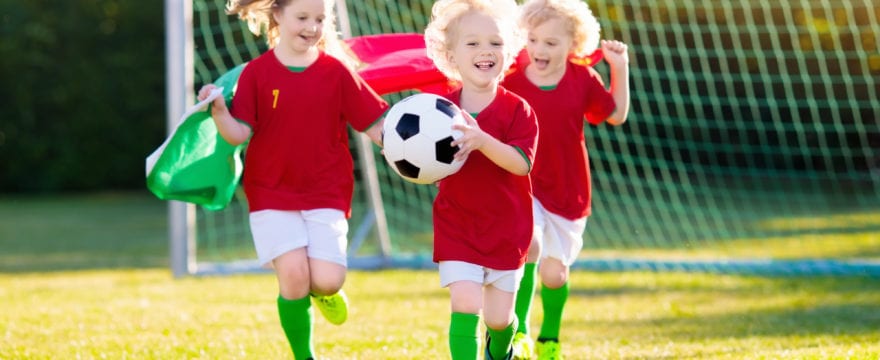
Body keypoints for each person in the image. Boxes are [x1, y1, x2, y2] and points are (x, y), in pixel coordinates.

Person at [195, 0, 388, 359]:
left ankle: (325, 292)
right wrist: (219, 111)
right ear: (278, 15)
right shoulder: (256, 73)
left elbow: (375, 125)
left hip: (327, 191)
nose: (312, 27)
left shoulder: (337, 72)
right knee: (294, 278)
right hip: (271, 192)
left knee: (328, 280)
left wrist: (415, 156)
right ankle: (304, 355)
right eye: (303, 17)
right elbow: (238, 134)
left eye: (320, 19)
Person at [500, 0, 631, 359]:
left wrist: (620, 67)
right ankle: (521, 331)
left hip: (569, 190)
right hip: (524, 183)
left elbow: (616, 115)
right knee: (528, 247)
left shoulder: (583, 79)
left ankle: (550, 335)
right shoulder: (510, 81)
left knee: (555, 275)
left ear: (573, 45)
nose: (539, 49)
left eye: (551, 43)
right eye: (533, 40)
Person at [423, 0, 539, 359]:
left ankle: (501, 349)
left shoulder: (519, 110)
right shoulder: (435, 112)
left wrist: (483, 141)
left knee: (500, 319)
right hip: (457, 225)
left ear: (511, 49)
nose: (485, 51)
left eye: (495, 42)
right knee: (465, 303)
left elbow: (521, 164)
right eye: (472, 43)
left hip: (507, 228)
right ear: (450, 54)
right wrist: (403, 155)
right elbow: (426, 165)